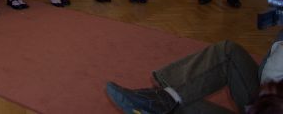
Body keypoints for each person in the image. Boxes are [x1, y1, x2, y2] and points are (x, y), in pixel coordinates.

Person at [106, 31, 283, 114]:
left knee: (180, 104)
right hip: (268, 94)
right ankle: (164, 98)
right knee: (228, 51)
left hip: (272, 103)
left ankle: (161, 102)